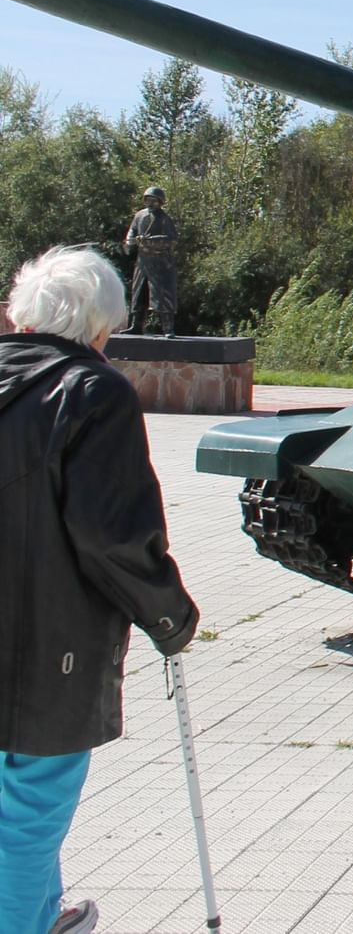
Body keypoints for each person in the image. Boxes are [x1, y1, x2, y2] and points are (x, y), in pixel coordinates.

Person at [2, 247, 200, 934]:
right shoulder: (93, 390)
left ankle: (42, 912)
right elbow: (114, 535)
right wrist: (169, 613)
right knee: (28, 808)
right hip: (44, 653)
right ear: (97, 325)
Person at [122, 185, 179, 336]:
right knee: (138, 293)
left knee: (163, 295)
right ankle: (136, 325)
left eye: (154, 200)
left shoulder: (165, 219)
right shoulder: (139, 216)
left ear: (160, 202)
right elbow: (131, 233)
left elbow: (171, 240)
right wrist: (130, 241)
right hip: (143, 261)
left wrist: (150, 241)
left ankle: (168, 328)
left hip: (160, 262)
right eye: (148, 200)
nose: (151, 203)